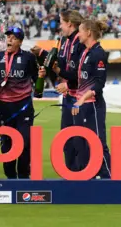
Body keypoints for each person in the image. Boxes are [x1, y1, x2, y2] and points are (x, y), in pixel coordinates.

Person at [0, 27, 45, 179]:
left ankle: (24, 176)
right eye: (8, 37)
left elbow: (35, 78)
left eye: (14, 37)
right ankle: (10, 176)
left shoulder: (29, 57)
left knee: (24, 142)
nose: (9, 40)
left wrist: (40, 80)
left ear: (20, 42)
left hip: (23, 105)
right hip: (4, 106)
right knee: (6, 143)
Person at [33, 10, 85, 171]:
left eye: (61, 22)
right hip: (68, 97)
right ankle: (71, 175)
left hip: (80, 98)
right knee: (66, 140)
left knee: (79, 140)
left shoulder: (81, 42)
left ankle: (84, 178)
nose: (60, 26)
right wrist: (42, 54)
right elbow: (60, 63)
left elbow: (82, 73)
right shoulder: (64, 40)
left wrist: (68, 84)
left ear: (69, 23)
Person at [71, 19, 112, 179]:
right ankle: (89, 176)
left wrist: (82, 99)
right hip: (83, 105)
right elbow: (83, 79)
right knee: (84, 144)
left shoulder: (98, 53)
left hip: (93, 105)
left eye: (80, 31)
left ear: (88, 32)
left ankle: (108, 178)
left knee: (98, 142)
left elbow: (99, 84)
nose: (78, 34)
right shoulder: (85, 52)